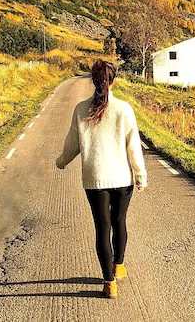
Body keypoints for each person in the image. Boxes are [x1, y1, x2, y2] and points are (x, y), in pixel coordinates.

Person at [55, 60, 147, 299]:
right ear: (113, 80)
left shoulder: (80, 109)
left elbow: (72, 144)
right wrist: (140, 174)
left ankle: (109, 282)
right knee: (119, 221)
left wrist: (62, 161)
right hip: (121, 178)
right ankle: (119, 265)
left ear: (93, 81)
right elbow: (133, 146)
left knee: (102, 228)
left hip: (95, 179)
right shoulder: (124, 109)